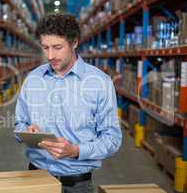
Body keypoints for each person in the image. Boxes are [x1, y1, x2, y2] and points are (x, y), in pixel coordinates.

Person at [14, 13, 122, 193]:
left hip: (77, 184)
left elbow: (112, 138)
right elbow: (19, 124)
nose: (50, 55)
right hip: (36, 178)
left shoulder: (99, 82)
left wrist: (75, 150)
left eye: (57, 47)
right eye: (45, 47)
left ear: (74, 43)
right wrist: (26, 131)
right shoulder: (33, 79)